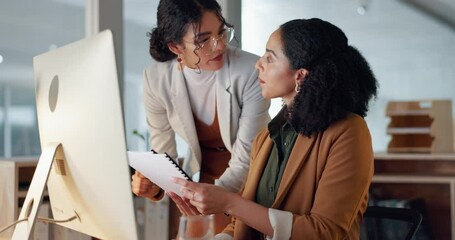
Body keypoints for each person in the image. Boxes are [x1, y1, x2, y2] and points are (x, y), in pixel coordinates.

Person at [170, 18, 378, 239]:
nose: (258, 64)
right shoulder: (266, 137)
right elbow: (243, 224)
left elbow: (323, 232)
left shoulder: (349, 133)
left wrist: (230, 203)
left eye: (270, 58)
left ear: (300, 75)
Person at [130, 0, 270, 237]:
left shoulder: (249, 71)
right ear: (175, 47)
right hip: (200, 185)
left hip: (252, 183)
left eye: (221, 32)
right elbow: (164, 156)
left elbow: (247, 156)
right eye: (203, 40)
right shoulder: (156, 80)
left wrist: (209, 198)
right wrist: (153, 185)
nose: (218, 46)